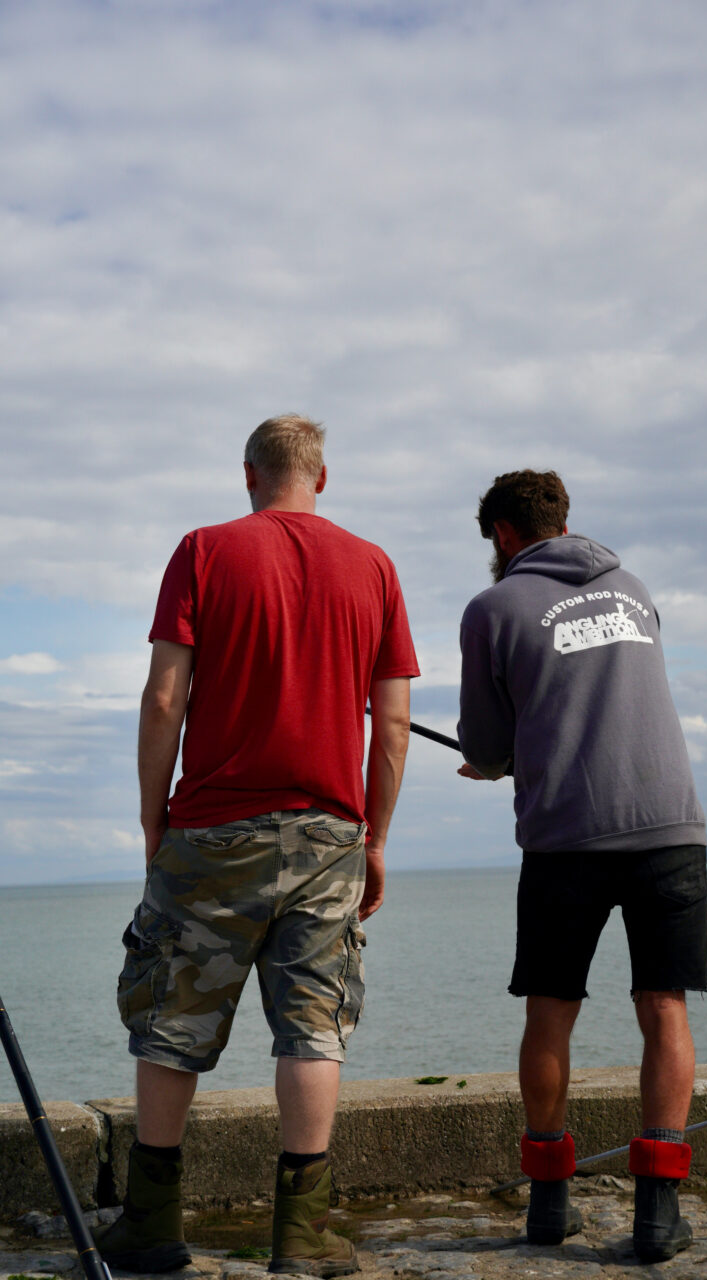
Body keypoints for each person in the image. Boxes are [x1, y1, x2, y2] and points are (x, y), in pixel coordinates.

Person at [95, 415, 419, 1277]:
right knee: (312, 1026)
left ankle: (151, 1226)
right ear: (323, 477)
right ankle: (302, 1235)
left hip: (210, 831)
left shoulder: (204, 550)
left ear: (249, 474)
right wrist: (374, 838)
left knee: (172, 1021)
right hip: (329, 834)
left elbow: (164, 698)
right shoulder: (374, 566)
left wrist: (153, 816)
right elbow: (391, 726)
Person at [457, 469, 707, 1264]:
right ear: (562, 524)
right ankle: (657, 1214)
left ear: (502, 535)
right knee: (663, 1008)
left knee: (549, 1011)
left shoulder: (493, 608)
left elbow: (485, 746)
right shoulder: (632, 589)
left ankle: (548, 1203)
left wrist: (491, 764)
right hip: (669, 825)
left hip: (566, 837)